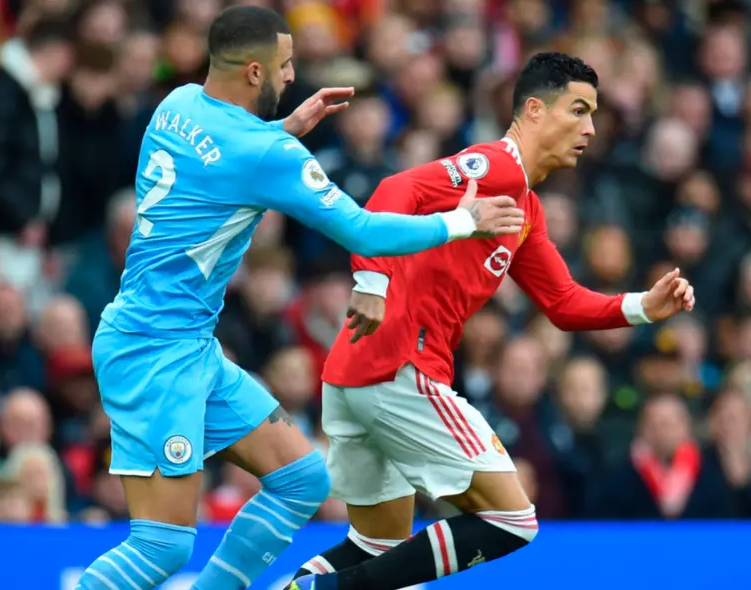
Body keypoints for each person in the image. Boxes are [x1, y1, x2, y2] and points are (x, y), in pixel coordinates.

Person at [75, 6, 524, 590]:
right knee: (162, 545)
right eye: (285, 66)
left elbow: (225, 160)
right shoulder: (265, 155)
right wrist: (464, 221)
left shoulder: (177, 105)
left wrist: (281, 130)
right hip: (154, 355)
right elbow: (364, 231)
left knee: (302, 479)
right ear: (255, 72)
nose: (293, 77)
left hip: (183, 346)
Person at [290, 52, 697, 590]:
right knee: (512, 518)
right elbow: (394, 190)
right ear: (535, 110)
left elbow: (563, 303)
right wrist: (371, 283)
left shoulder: (525, 208)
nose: (591, 129)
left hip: (356, 373)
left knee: (374, 546)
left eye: (593, 115)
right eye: (579, 110)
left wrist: (644, 305)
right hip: (400, 366)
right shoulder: (493, 167)